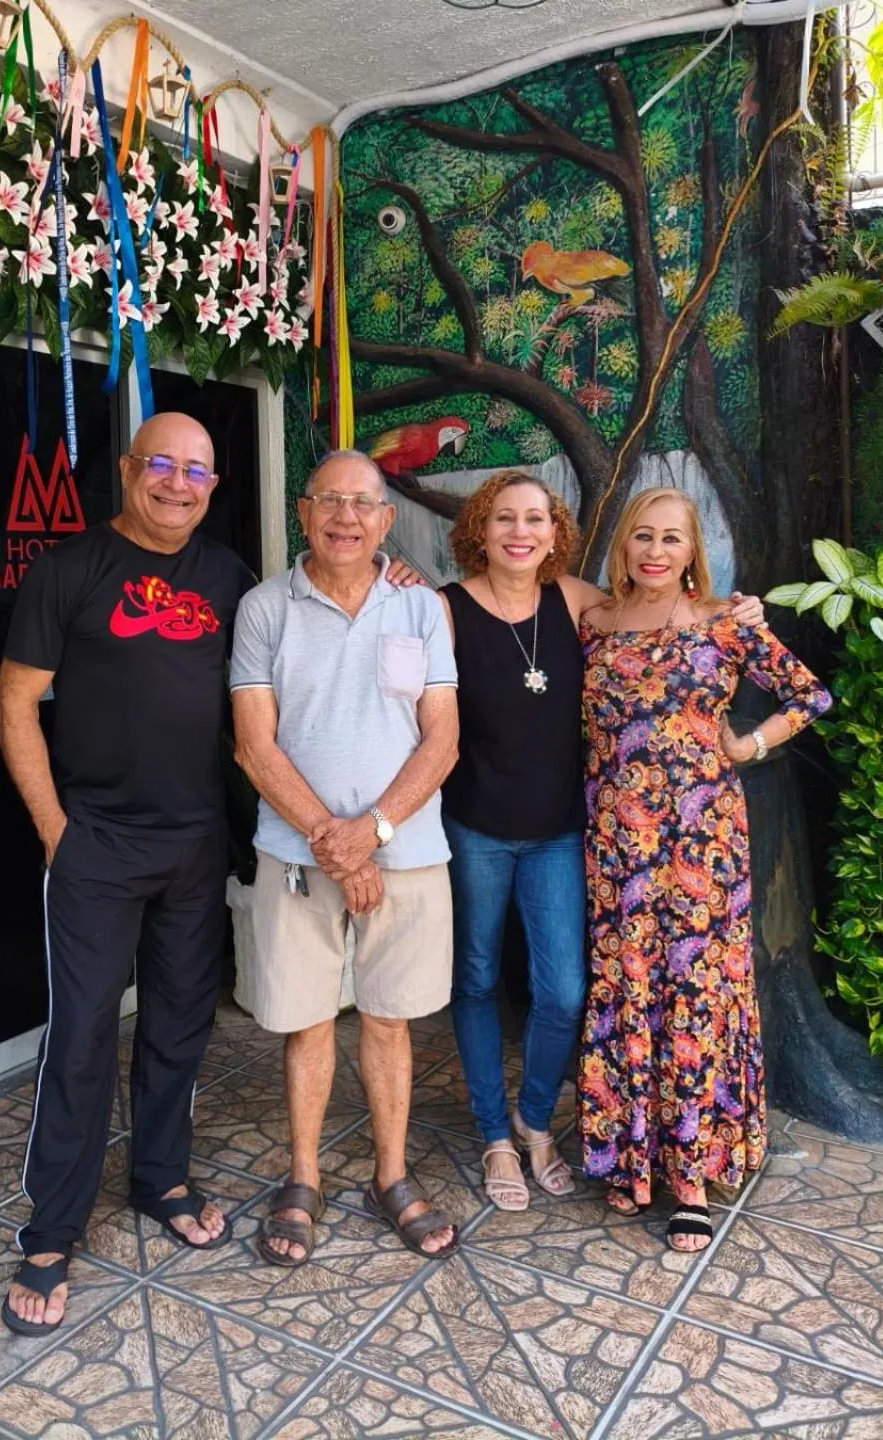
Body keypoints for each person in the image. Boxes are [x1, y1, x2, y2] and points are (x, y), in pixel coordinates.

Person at [440, 471, 764, 1213]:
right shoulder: (444, 608)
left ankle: (534, 1119)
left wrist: (733, 610)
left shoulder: (582, 604)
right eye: (503, 519)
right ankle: (496, 1134)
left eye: (535, 519)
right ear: (480, 530)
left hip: (562, 832)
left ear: (555, 533)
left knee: (564, 991)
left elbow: (659, 617)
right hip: (475, 828)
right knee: (477, 980)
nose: (520, 533)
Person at [0, 412, 253, 1335]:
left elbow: (284, 670)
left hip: (195, 843)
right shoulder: (69, 570)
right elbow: (14, 705)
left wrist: (394, 580)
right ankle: (54, 1224)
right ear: (132, 468)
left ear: (213, 486)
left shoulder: (230, 578)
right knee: (82, 1035)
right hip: (97, 844)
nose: (179, 484)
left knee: (180, 1025)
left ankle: (160, 1177)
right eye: (163, 466)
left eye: (198, 471)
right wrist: (57, 831)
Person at [578, 487, 831, 1252]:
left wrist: (747, 745)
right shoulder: (593, 626)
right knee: (626, 986)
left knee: (692, 993)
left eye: (672, 540)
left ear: (694, 553)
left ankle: (691, 1179)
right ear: (623, 546)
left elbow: (809, 695)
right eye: (642, 538)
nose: (655, 551)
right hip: (615, 849)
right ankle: (632, 1156)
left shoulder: (725, 625)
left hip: (701, 848)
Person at [231, 450, 462, 1265]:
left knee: (391, 1019)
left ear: (386, 520)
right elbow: (255, 747)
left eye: (362, 504)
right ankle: (303, 1176)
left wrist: (373, 833)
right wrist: (336, 842)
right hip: (296, 856)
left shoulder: (422, 607)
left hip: (404, 852)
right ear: (302, 513)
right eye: (328, 501)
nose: (345, 517)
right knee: (304, 1021)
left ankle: (390, 1175)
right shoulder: (265, 608)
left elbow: (443, 739)